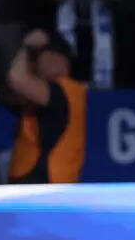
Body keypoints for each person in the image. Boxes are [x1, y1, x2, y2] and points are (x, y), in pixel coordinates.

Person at [5, 28, 86, 183]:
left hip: (45, 182)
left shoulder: (63, 90)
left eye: (37, 57)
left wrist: (27, 47)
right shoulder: (66, 92)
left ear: (56, 57)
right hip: (48, 182)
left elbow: (17, 79)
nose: (34, 64)